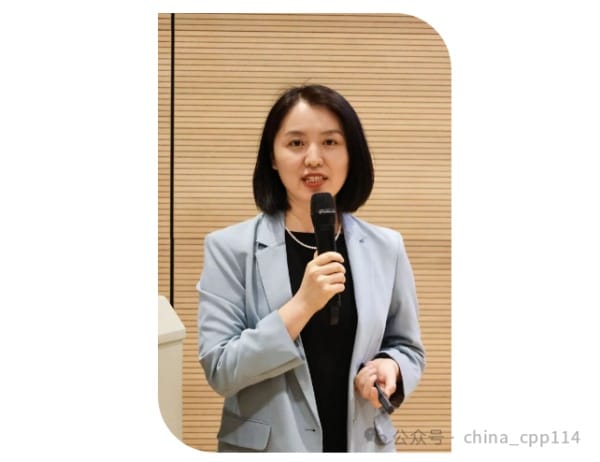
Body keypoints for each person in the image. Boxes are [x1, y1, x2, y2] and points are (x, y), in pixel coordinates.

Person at [197, 84, 425, 452]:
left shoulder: (386, 247)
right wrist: (303, 305)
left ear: (351, 154)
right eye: (296, 143)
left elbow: (407, 347)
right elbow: (221, 370)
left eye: (330, 142)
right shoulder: (229, 248)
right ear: (272, 157)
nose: (314, 158)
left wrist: (391, 366)